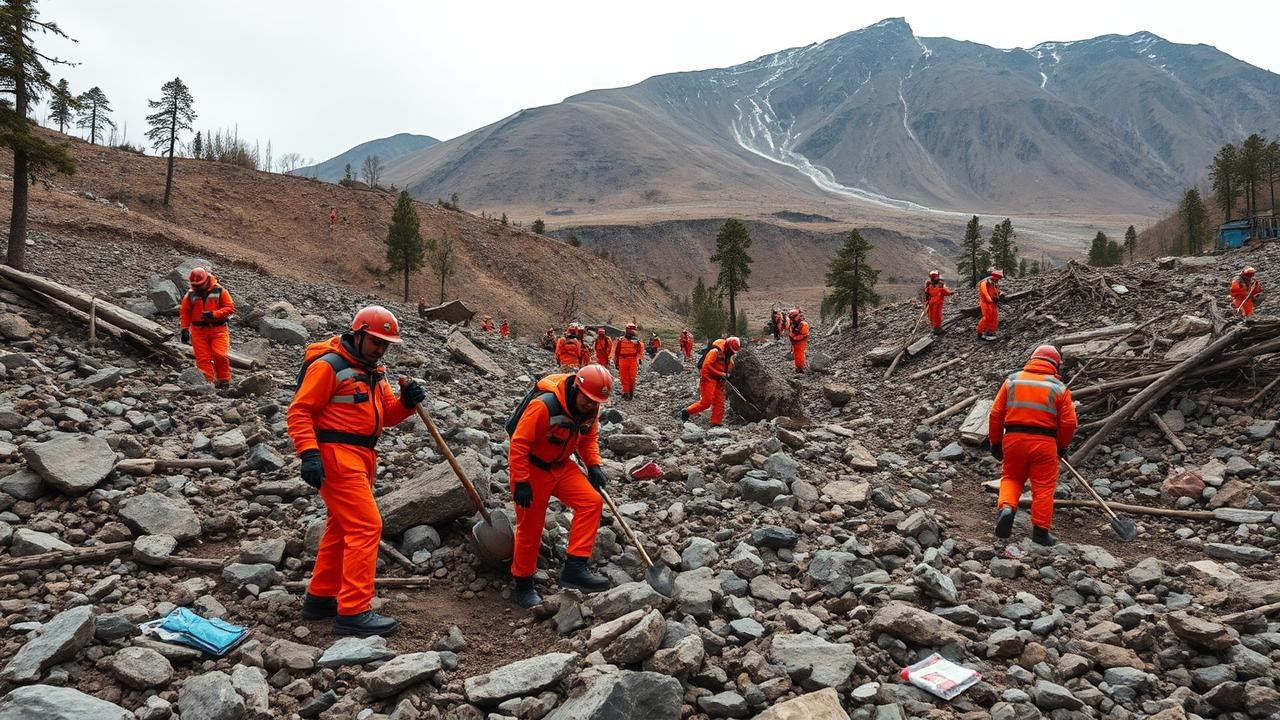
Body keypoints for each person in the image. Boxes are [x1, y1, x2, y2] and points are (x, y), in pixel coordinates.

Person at [287, 306, 427, 636]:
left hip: (363, 456)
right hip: (336, 456)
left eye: (386, 344)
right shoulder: (330, 366)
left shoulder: (374, 370)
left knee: (342, 527)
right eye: (376, 342)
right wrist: (308, 453)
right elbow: (299, 411)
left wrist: (406, 403)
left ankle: (320, 598)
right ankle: (353, 611)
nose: (381, 349)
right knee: (366, 526)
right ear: (359, 334)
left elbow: (386, 416)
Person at [507, 365, 613, 608]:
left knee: (591, 502)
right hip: (532, 468)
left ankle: (575, 568)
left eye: (596, 401)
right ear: (577, 388)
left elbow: (588, 439)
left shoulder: (591, 408)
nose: (591, 405)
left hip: (561, 466)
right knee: (530, 527)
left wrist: (594, 464)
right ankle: (523, 583)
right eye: (588, 399)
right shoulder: (544, 405)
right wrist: (521, 480)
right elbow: (519, 443)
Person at [988, 345, 1077, 547]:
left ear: (1032, 358)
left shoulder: (1012, 381)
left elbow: (995, 414)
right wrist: (1061, 446)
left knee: (1011, 477)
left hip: (1014, 440)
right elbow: (1070, 423)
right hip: (1044, 443)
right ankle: (1040, 533)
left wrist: (996, 442)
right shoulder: (1059, 388)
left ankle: (1007, 508)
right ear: (1055, 365)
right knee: (1043, 487)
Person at [179, 267, 236, 388]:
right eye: (195, 285)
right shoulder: (190, 294)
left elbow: (230, 308)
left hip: (218, 329)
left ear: (206, 280)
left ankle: (224, 380)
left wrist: (214, 314)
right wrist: (184, 329)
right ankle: (207, 384)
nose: (198, 287)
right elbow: (185, 312)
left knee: (220, 354)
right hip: (198, 331)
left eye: (200, 284)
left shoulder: (220, 291)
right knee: (202, 359)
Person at [682, 336, 740, 426]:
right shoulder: (714, 352)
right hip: (708, 378)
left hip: (719, 381)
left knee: (719, 402)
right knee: (706, 402)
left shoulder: (730, 361)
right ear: (727, 346)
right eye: (730, 350)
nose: (731, 353)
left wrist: (726, 378)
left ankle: (716, 422)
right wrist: (721, 373)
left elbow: (728, 372)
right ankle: (687, 411)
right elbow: (706, 366)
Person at [613, 323, 644, 400]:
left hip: (631, 360)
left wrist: (639, 359)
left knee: (630, 377)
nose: (631, 332)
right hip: (624, 360)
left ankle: (630, 392)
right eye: (630, 330)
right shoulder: (621, 340)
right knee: (625, 377)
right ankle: (627, 392)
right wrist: (616, 361)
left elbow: (640, 351)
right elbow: (617, 352)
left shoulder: (637, 341)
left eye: (632, 330)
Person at [923, 270, 953, 335]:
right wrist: (949, 292)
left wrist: (949, 292)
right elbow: (946, 292)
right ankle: (936, 328)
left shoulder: (930, 284)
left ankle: (935, 327)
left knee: (934, 315)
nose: (936, 278)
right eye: (935, 277)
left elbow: (926, 292)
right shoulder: (939, 284)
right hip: (935, 302)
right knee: (934, 315)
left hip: (933, 302)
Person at [977, 269, 1003, 340]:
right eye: (998, 278)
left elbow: (997, 291)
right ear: (994, 276)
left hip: (993, 303)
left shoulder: (994, 283)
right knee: (986, 317)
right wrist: (990, 300)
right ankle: (980, 332)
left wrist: (1000, 294)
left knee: (994, 317)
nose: (998, 280)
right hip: (986, 302)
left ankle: (991, 332)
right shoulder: (984, 283)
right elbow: (985, 293)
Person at [788, 309, 810, 373]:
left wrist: (794, 338)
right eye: (791, 318)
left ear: (797, 316)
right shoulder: (794, 324)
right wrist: (792, 338)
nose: (791, 319)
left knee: (799, 354)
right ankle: (798, 367)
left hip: (800, 342)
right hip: (795, 341)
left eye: (793, 317)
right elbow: (792, 332)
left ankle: (801, 368)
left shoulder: (803, 324)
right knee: (796, 354)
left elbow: (803, 335)